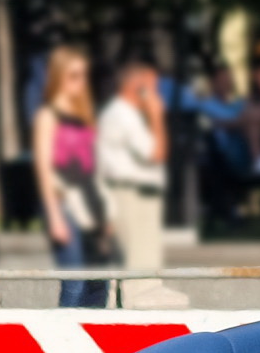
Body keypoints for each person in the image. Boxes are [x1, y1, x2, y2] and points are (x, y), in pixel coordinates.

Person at [31, 45, 105, 308]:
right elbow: (44, 168)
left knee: (101, 280)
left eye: (83, 75)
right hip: (63, 203)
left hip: (90, 201)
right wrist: (54, 216)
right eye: (73, 75)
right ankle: (63, 339)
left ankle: (93, 335)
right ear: (58, 77)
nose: (80, 82)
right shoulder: (47, 116)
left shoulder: (84, 114)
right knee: (75, 281)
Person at [96, 59, 168, 276]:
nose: (157, 94)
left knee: (147, 266)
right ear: (137, 87)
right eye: (153, 87)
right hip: (130, 195)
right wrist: (156, 115)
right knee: (139, 269)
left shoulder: (129, 115)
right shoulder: (123, 115)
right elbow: (156, 154)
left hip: (138, 195)